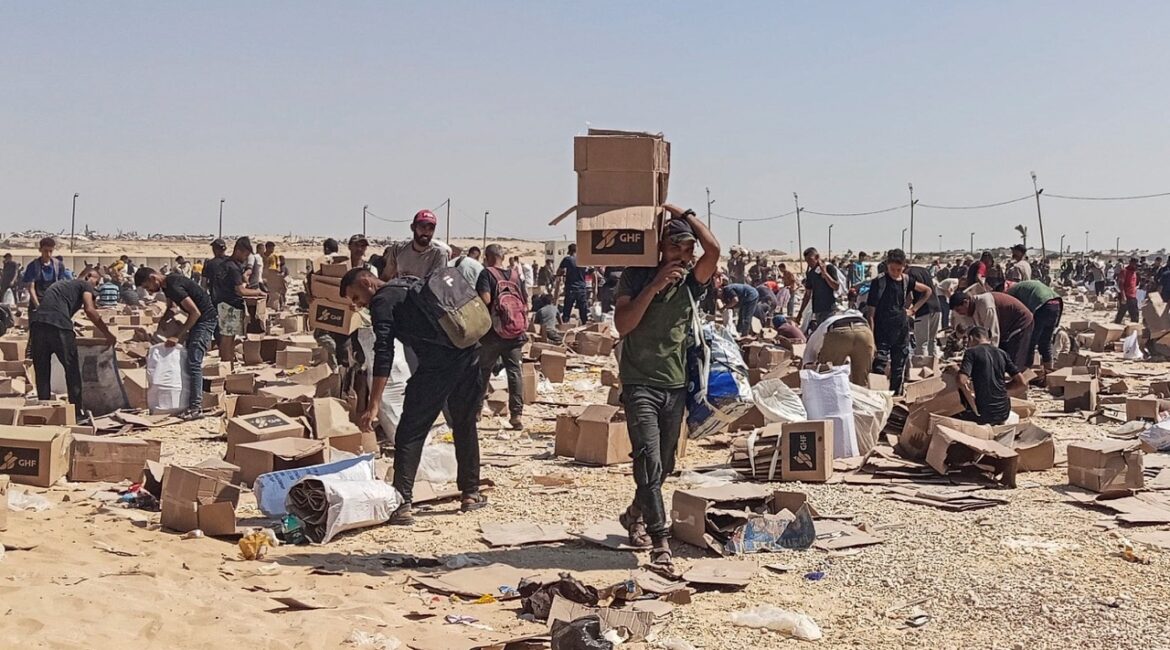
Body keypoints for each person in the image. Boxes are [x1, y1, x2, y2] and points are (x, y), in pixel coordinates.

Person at [614, 204, 719, 570]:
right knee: (647, 457)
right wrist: (655, 286)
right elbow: (623, 325)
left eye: (688, 249)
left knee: (667, 464)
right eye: (676, 247)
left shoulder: (692, 283)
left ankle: (634, 513)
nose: (684, 256)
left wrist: (683, 212)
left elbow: (715, 250)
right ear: (660, 247)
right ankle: (659, 539)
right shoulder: (636, 276)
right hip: (638, 379)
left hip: (675, 383)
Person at [342, 268, 488, 524]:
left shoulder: (382, 302)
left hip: (438, 365)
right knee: (464, 423)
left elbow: (383, 352)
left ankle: (401, 503)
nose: (358, 305)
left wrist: (373, 403)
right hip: (470, 354)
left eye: (356, 297)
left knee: (411, 430)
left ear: (366, 282)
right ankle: (471, 493)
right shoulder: (407, 283)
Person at [28, 269, 116, 419]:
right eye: (97, 282)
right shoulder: (84, 285)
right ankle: (76, 412)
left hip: (37, 325)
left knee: (42, 370)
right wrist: (108, 334)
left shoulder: (62, 284)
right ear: (89, 276)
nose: (96, 287)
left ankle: (43, 412)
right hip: (60, 327)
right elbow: (90, 310)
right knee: (72, 369)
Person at [134, 267, 218, 420]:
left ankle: (195, 407)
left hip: (205, 320)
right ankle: (189, 401)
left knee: (194, 361)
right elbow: (171, 307)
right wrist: (162, 326)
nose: (150, 291)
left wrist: (177, 336)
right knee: (187, 360)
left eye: (148, 287)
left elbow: (195, 312)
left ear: (153, 278)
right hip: (197, 320)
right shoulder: (167, 287)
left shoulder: (173, 285)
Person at [476, 244, 529, 430]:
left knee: (483, 371)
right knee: (514, 372)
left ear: (488, 256)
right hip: (515, 332)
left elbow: (486, 300)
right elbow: (525, 301)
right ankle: (516, 415)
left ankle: (476, 412)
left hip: (493, 333)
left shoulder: (486, 274)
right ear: (503, 257)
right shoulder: (515, 275)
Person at [865, 250, 933, 395]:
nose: (895, 272)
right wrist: (871, 337)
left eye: (899, 269)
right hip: (882, 330)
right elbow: (871, 313)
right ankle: (879, 397)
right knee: (879, 365)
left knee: (898, 367)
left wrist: (913, 310)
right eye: (892, 269)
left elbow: (927, 291)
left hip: (901, 330)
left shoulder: (907, 280)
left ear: (904, 267)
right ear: (887, 265)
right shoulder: (879, 282)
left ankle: (896, 400)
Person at [949, 291, 1034, 371]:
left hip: (1020, 321)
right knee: (1001, 356)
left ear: (965, 302)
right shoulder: (969, 310)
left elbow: (993, 335)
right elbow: (972, 333)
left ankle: (1017, 382)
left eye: (959, 310)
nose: (959, 313)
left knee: (1014, 357)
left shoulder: (985, 305)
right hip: (1005, 327)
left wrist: (988, 361)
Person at [957, 326, 1025, 426]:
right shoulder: (1002, 353)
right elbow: (1022, 383)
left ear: (971, 338)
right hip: (1003, 413)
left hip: (983, 414)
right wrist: (1002, 391)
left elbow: (961, 381)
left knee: (954, 406)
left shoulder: (971, 353)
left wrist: (956, 371)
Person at [214, 238, 266, 364]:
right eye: (245, 255)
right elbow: (240, 291)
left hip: (224, 303)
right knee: (228, 338)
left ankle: (227, 364)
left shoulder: (226, 264)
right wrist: (258, 292)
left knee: (228, 338)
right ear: (238, 251)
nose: (245, 258)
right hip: (231, 305)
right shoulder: (233, 268)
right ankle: (226, 364)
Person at [802, 309, 875, 387]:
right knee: (861, 379)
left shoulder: (825, 324)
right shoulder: (856, 317)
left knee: (828, 374)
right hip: (865, 332)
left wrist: (807, 366)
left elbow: (809, 353)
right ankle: (860, 397)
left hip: (839, 332)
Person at [1006, 279, 1063, 372]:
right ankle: (1049, 372)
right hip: (1056, 304)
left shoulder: (1011, 292)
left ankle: (1027, 373)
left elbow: (1017, 313)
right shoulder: (1023, 286)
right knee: (1045, 342)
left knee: (1030, 341)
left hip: (1042, 305)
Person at [380, 210, 451, 281]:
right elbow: (386, 276)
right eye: (423, 227)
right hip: (401, 290)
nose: (426, 232)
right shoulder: (399, 249)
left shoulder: (439, 254)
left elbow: (437, 284)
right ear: (413, 227)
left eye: (431, 228)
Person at [795, 247, 841, 333]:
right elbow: (807, 294)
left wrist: (825, 274)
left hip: (829, 309)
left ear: (817, 257)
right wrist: (800, 313)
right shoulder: (811, 274)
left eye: (810, 259)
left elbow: (836, 286)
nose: (809, 263)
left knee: (829, 335)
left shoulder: (829, 268)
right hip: (817, 310)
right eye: (806, 261)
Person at [22, 237, 72, 315]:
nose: (48, 254)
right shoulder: (33, 266)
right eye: (45, 251)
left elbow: (60, 285)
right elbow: (31, 288)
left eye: (50, 251)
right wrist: (38, 306)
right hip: (37, 302)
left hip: (53, 303)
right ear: (40, 250)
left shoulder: (58, 265)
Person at [906, 263, 940, 357]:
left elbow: (909, 297)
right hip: (936, 307)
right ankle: (934, 366)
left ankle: (922, 367)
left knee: (921, 343)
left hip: (922, 310)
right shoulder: (923, 270)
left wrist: (909, 310)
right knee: (932, 341)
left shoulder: (908, 275)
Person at [557, 244, 589, 324]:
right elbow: (590, 271)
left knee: (567, 310)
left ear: (569, 251)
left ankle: (565, 327)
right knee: (583, 311)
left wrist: (562, 273)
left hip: (571, 288)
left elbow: (559, 272)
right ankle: (584, 327)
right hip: (581, 288)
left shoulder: (567, 259)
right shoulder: (583, 260)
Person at [1114, 257, 1140, 325]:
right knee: (1121, 313)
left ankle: (1134, 329)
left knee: (1135, 314)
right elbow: (1121, 285)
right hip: (1126, 296)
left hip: (1133, 296)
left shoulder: (1134, 272)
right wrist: (1123, 296)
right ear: (1131, 263)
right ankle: (1115, 328)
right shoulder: (1124, 271)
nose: (1136, 266)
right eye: (1135, 264)